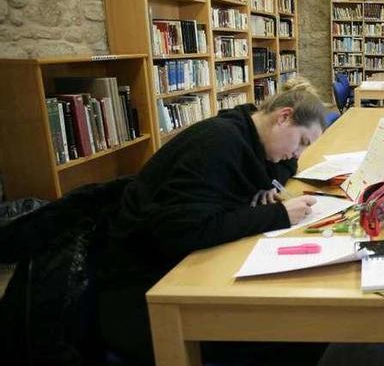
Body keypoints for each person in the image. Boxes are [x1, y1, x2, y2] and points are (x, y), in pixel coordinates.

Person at [97, 78, 328, 365]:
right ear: (283, 118)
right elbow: (184, 232)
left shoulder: (250, 134)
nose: (298, 154)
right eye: (302, 142)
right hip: (146, 287)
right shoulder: (219, 144)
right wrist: (277, 215)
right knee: (297, 331)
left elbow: (286, 165)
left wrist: (268, 183)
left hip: (182, 262)